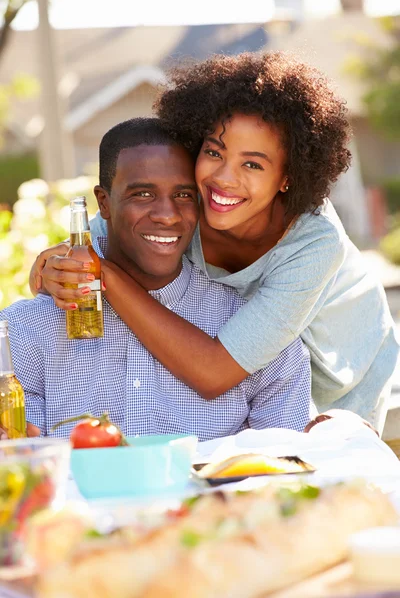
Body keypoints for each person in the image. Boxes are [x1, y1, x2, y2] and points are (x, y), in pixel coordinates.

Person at [31, 52, 399, 435]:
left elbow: (213, 372)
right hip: (250, 363)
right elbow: (93, 245)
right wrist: (56, 268)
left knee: (325, 458)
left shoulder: (314, 243)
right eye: (214, 152)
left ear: (287, 177)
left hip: (340, 357)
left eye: (252, 164)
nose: (224, 179)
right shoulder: (183, 205)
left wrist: (105, 274)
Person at [0, 118, 314, 441]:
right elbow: (27, 467)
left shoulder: (257, 339)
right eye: (144, 194)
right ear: (104, 203)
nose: (167, 214)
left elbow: (285, 470)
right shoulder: (26, 334)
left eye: (183, 195)